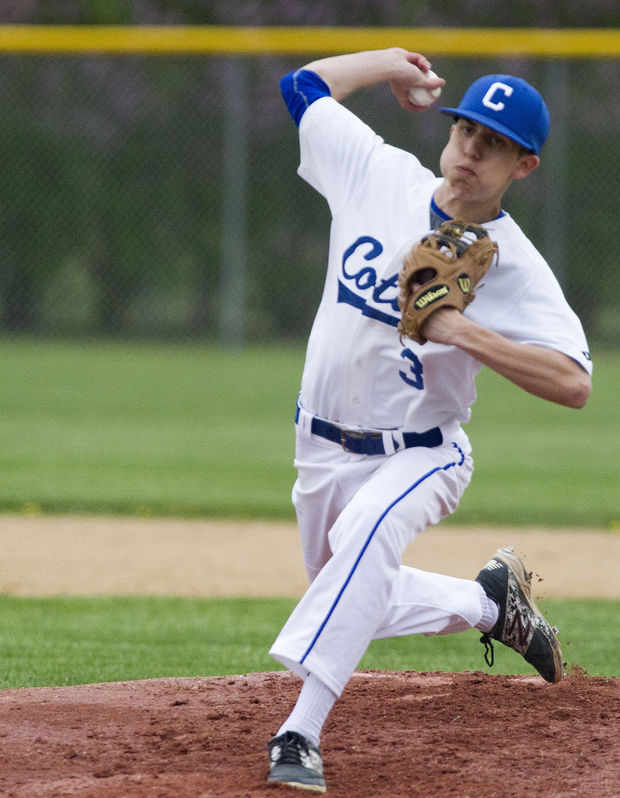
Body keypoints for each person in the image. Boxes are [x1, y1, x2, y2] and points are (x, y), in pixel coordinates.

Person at [265, 48, 592, 793]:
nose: (471, 150)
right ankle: (491, 603)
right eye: (466, 130)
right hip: (318, 446)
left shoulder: (515, 265)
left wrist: (461, 331)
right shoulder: (377, 174)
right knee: (347, 586)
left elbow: (575, 384)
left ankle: (300, 732)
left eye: (494, 143)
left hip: (423, 452)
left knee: (365, 544)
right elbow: (302, 87)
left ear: (524, 166)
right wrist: (390, 65)